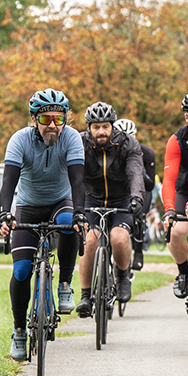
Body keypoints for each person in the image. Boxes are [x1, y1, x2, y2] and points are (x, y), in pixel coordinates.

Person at [0, 88, 86, 361]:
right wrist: (4, 214)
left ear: (66, 121)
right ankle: (20, 331)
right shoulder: (19, 140)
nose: (52, 126)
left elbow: (77, 182)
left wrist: (80, 214)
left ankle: (65, 285)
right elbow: (8, 184)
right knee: (22, 270)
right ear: (34, 119)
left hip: (61, 201)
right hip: (28, 206)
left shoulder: (71, 138)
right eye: (46, 119)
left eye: (58, 120)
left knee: (69, 221)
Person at [74, 102, 145, 317]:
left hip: (121, 200)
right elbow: (71, 174)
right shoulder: (79, 143)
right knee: (90, 241)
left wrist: (136, 198)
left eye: (105, 126)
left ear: (112, 126)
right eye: (96, 127)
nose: (101, 131)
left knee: (118, 238)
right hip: (90, 199)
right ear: (89, 128)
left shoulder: (127, 143)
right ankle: (86, 295)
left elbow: (135, 173)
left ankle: (123, 277)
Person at [162, 89, 188, 298]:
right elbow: (168, 179)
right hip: (185, 189)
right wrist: (169, 210)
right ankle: (183, 272)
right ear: (186, 117)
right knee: (176, 231)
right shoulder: (177, 140)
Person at [113, 118, 156, 271]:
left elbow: (151, 185)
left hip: (142, 191)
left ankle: (138, 250)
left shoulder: (147, 152)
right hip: (119, 193)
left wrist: (138, 170)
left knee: (138, 214)